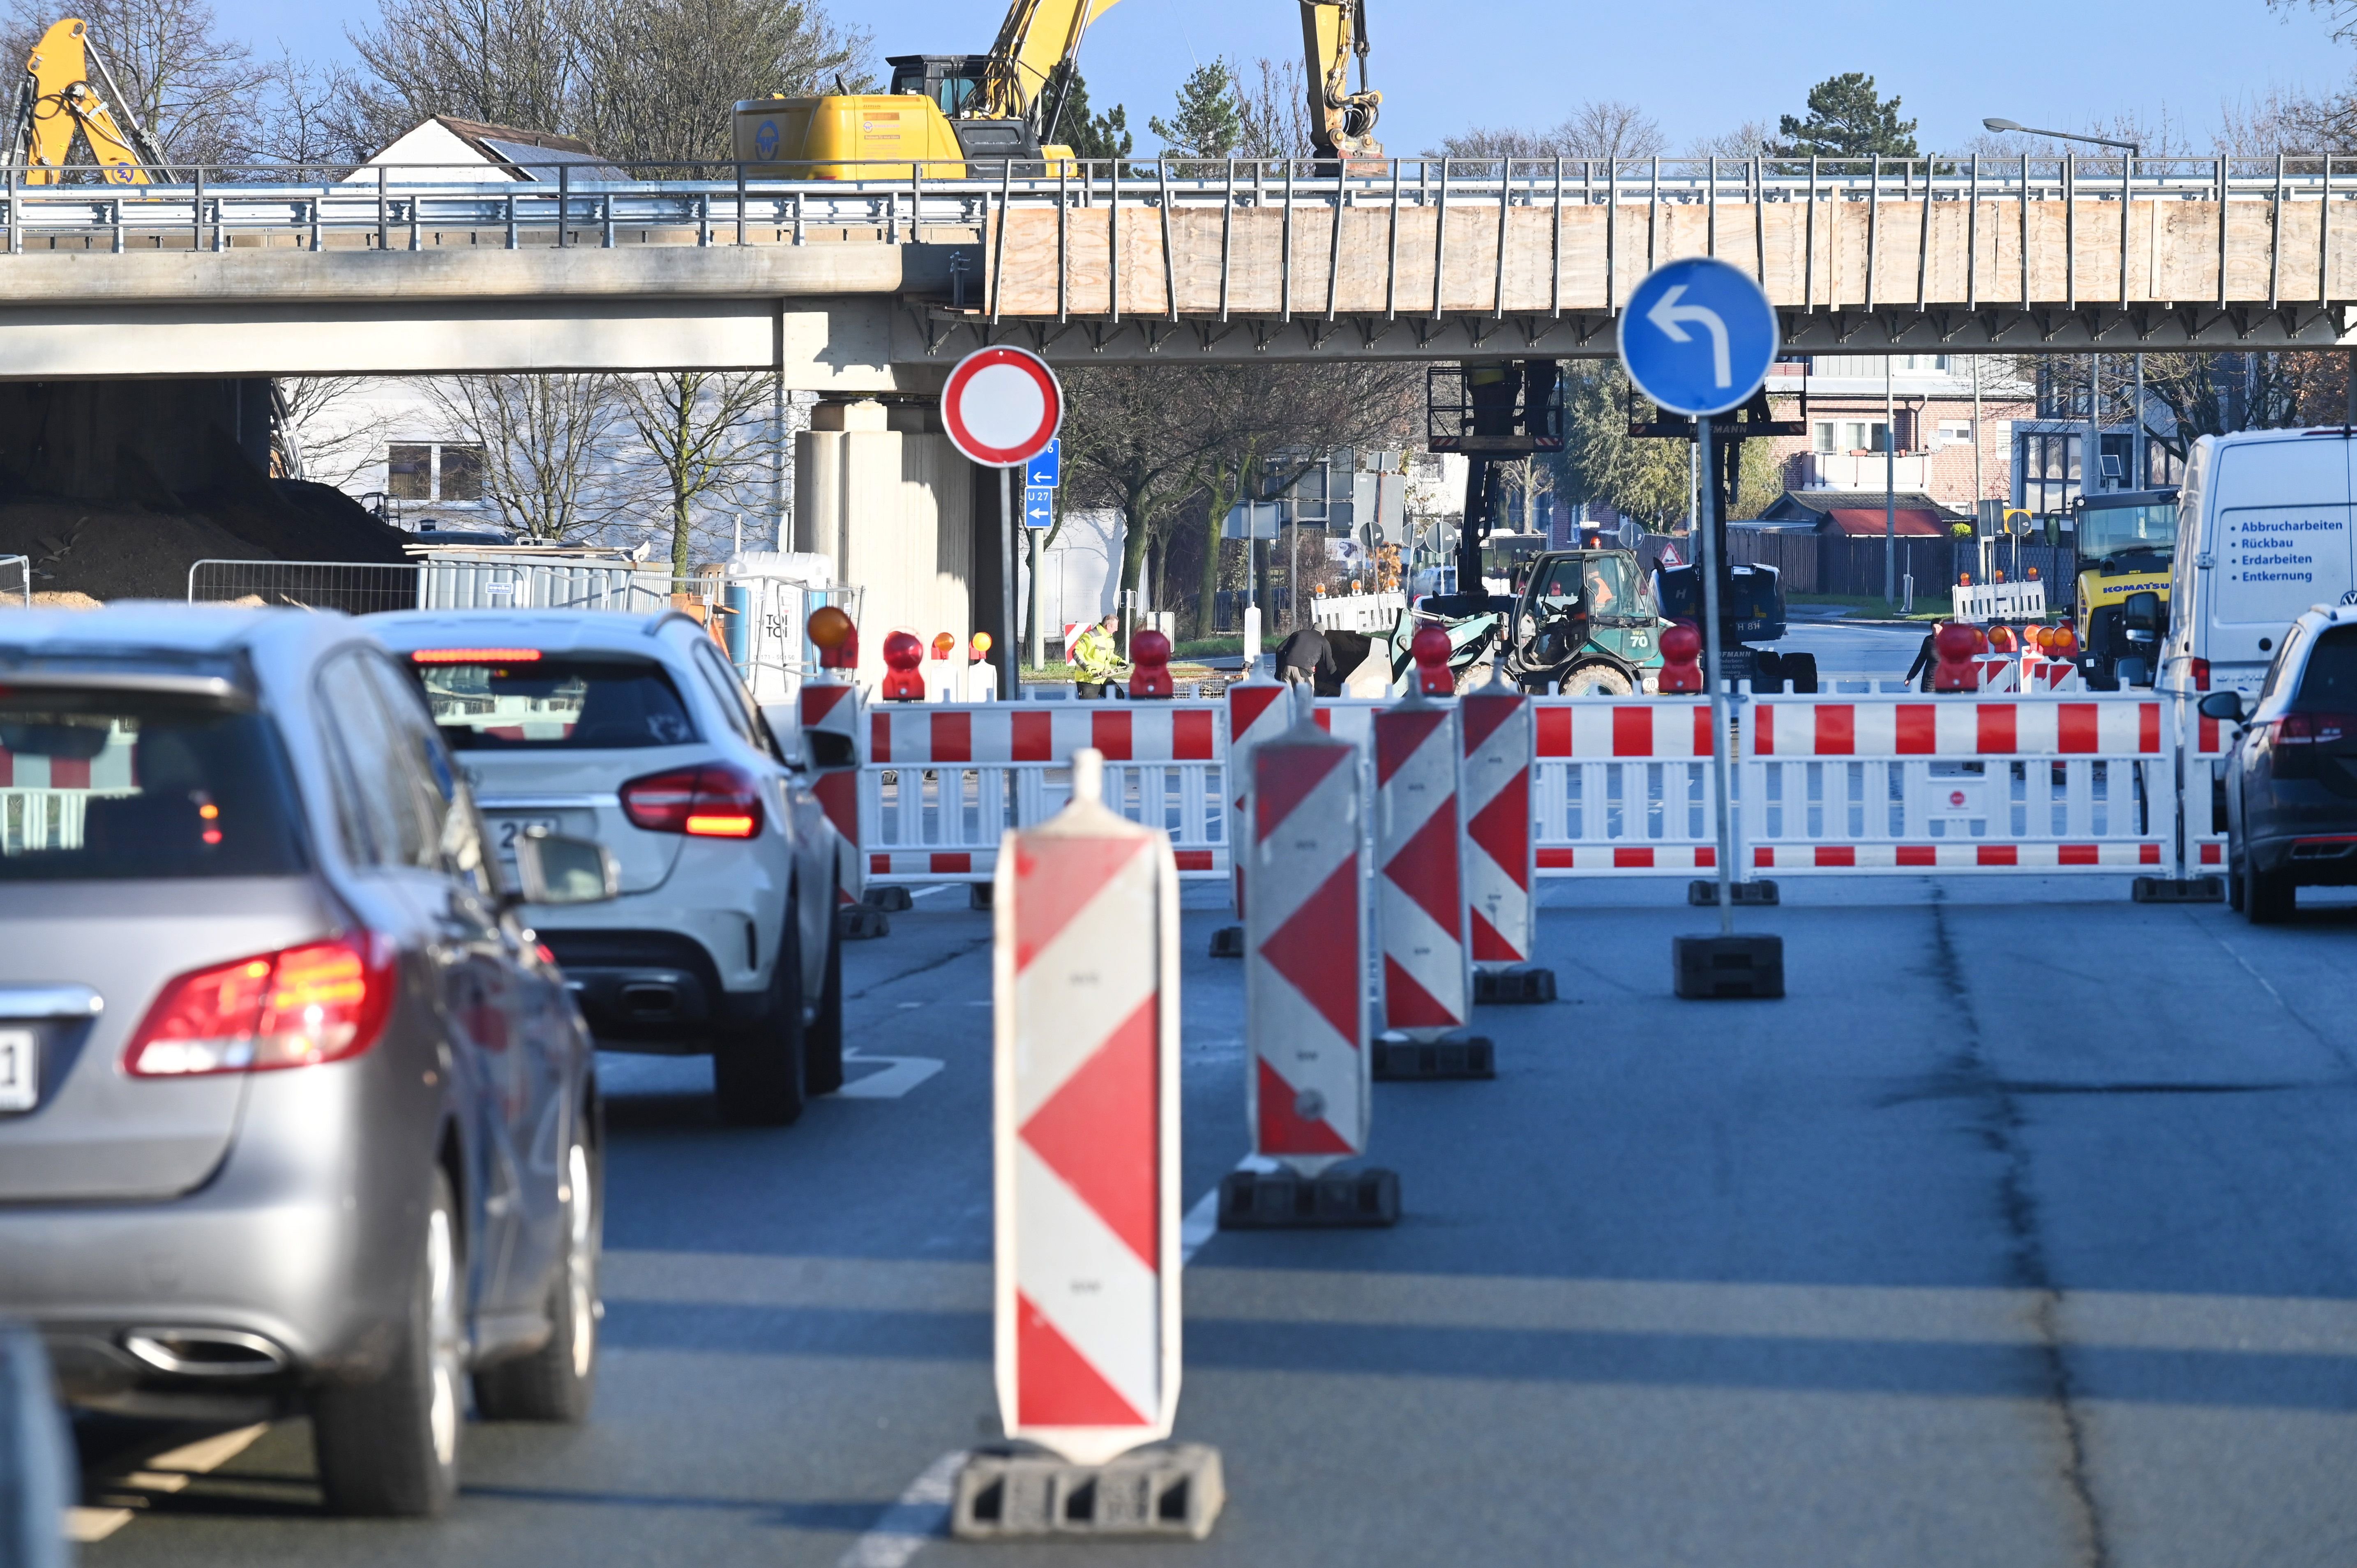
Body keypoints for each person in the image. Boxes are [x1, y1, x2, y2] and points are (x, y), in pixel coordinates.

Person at [1069, 613, 1127, 698]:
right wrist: (1088, 668)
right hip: (1088, 680)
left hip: (1103, 678)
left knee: (1119, 696)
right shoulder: (1090, 637)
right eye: (1115, 627)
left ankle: (1106, 711)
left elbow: (1110, 656)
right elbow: (1076, 653)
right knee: (1088, 709)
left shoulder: (1109, 639)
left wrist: (1120, 661)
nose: (1117, 630)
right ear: (1109, 626)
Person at [1274, 623, 1335, 689]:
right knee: (1306, 697)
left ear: (1312, 629)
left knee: (1288, 698)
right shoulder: (1324, 641)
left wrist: (1278, 671)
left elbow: (1280, 649)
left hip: (1287, 668)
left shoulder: (1299, 633)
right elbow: (1330, 665)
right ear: (1323, 634)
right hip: (1303, 670)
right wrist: (1337, 679)